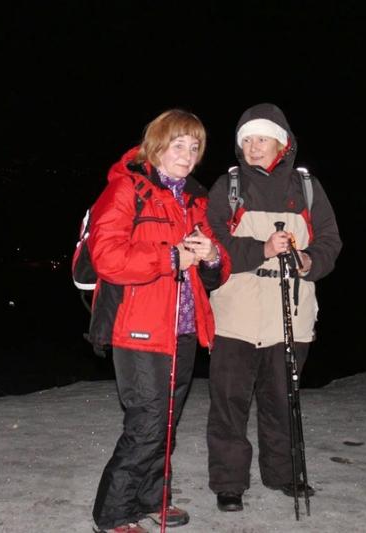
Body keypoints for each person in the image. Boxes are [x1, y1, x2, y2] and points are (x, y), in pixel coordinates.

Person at [88, 109, 229, 533]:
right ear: (156, 146)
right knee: (147, 424)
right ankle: (113, 514)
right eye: (178, 144)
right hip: (139, 327)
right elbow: (107, 257)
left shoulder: (194, 200)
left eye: (194, 146)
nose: (187, 154)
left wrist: (212, 256)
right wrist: (169, 258)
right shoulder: (126, 189)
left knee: (166, 422)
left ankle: (152, 499)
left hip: (182, 328)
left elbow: (216, 270)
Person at [205, 103, 342, 512]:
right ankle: (229, 483)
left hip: (292, 313)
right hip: (235, 314)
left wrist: (308, 261)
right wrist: (261, 249)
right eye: (246, 140)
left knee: (282, 399)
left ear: (282, 143)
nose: (253, 147)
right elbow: (213, 243)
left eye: (261, 138)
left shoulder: (307, 187)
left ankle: (283, 473)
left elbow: (330, 240)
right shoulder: (227, 187)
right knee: (229, 402)